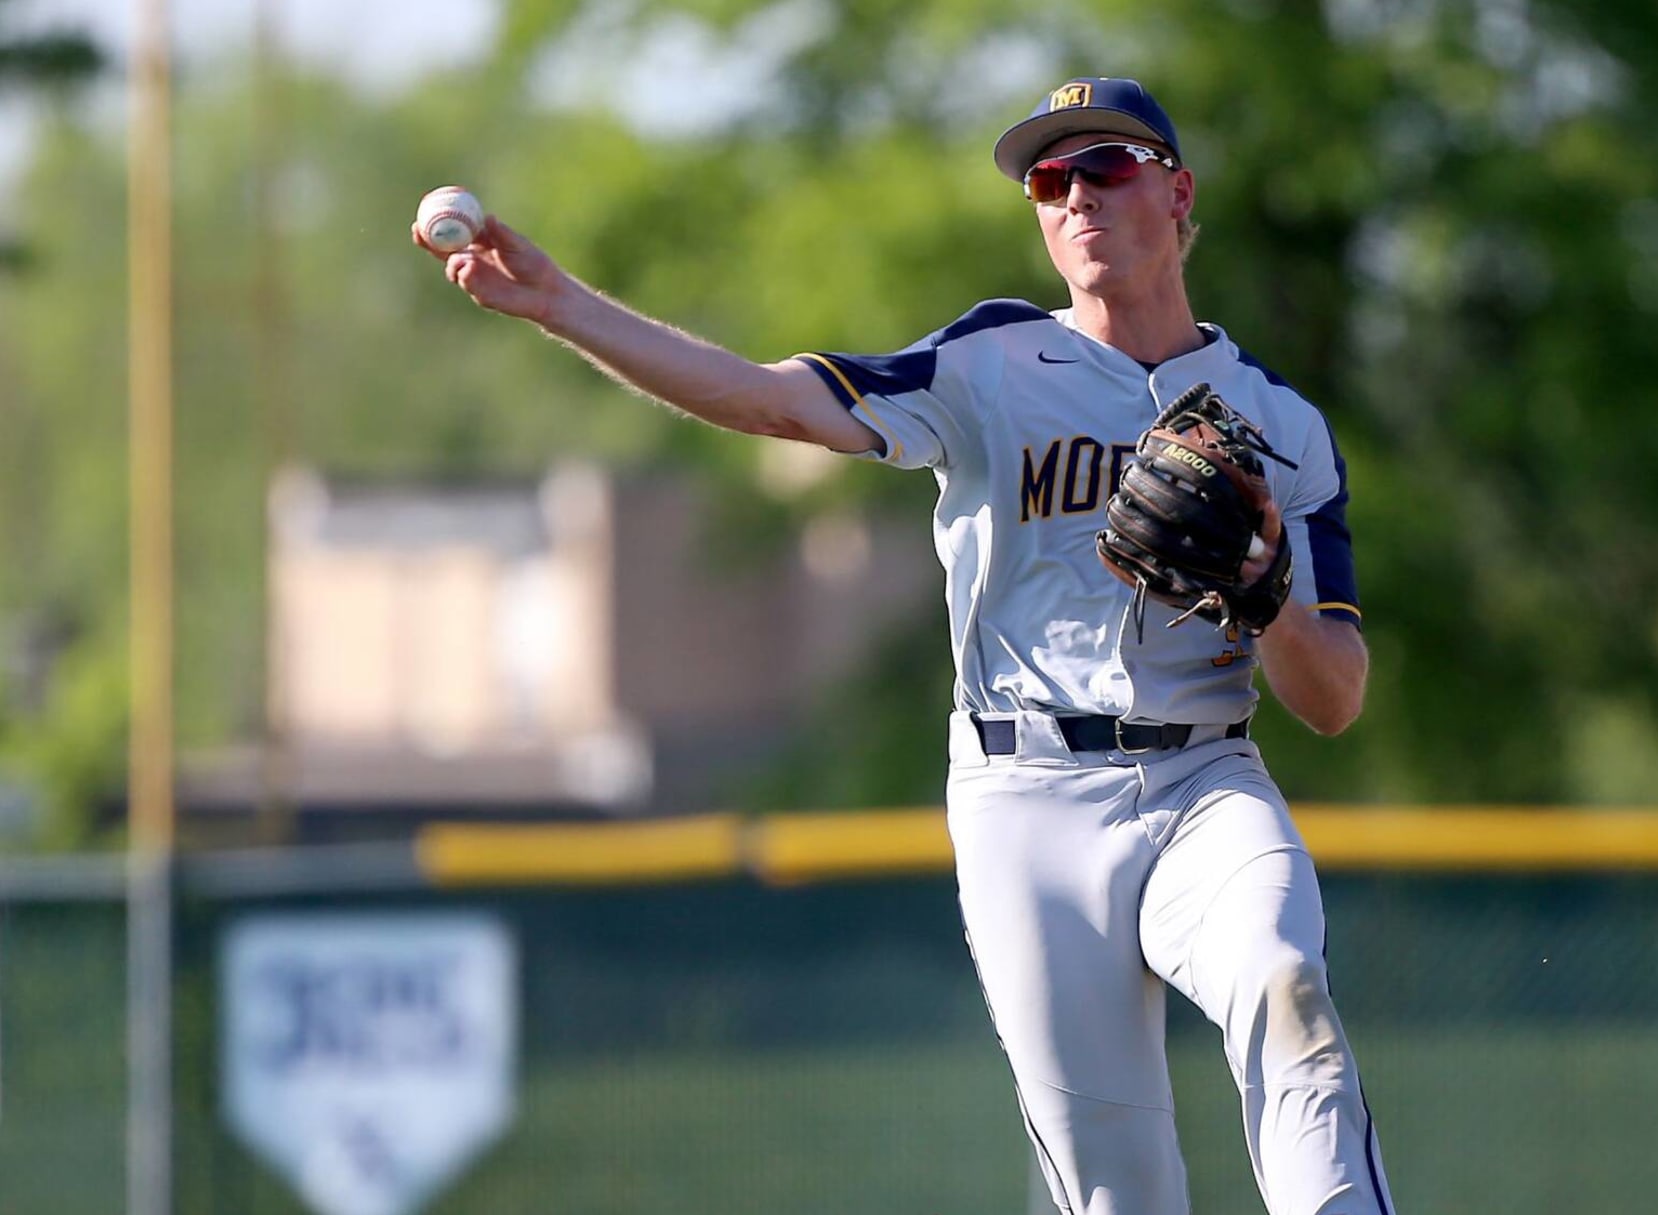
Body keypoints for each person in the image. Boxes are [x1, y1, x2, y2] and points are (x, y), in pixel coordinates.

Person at [418, 75, 1393, 1215]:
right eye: (1049, 177)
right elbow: (771, 400)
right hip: (1023, 798)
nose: (1076, 192)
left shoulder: (1281, 425)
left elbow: (1332, 699)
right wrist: (563, 304)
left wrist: (1269, 595)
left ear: (1178, 194)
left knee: (1287, 993)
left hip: (1202, 778)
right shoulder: (989, 364)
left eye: (1107, 165)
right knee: (1115, 1189)